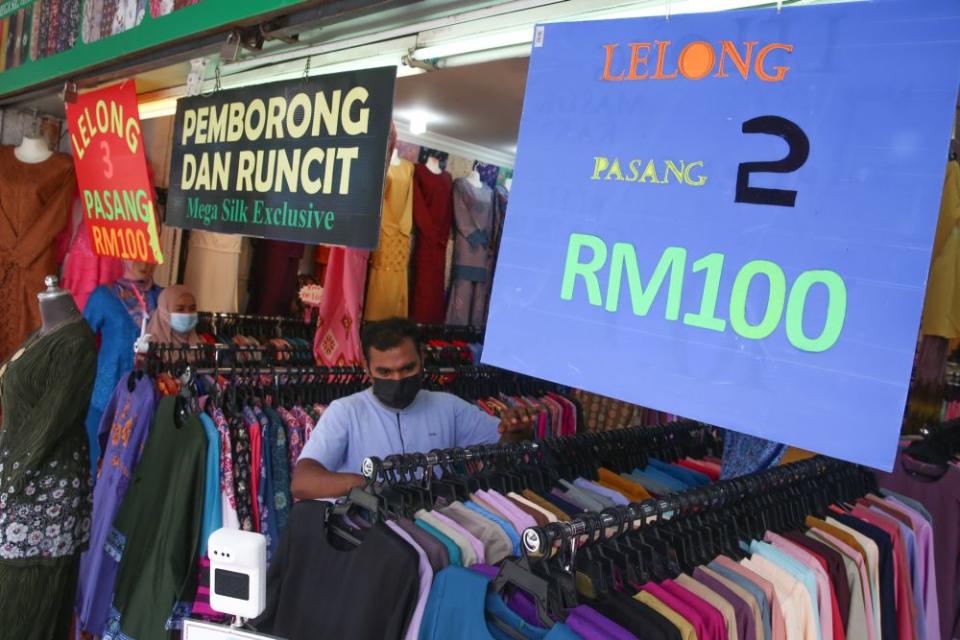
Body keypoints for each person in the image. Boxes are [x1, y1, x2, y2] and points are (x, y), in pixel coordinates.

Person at [292, 317, 534, 499]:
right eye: (385, 372)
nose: (397, 379)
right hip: (370, 533)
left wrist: (517, 431)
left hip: (435, 528)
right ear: (367, 368)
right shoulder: (345, 411)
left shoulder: (448, 407)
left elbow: (505, 447)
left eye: (407, 368)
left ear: (422, 358)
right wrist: (367, 485)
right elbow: (303, 481)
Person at [82, 260, 162, 473]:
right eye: (136, 255)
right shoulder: (104, 296)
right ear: (124, 255)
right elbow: (80, 341)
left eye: (148, 256)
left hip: (148, 398)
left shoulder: (162, 298)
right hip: (105, 396)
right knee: (99, 466)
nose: (143, 263)